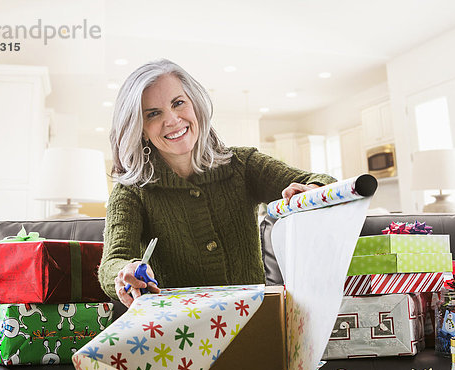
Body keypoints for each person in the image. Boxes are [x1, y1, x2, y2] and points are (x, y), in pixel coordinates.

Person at [99, 59, 336, 307]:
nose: (172, 119)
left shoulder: (243, 164)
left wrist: (313, 191)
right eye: (153, 114)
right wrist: (125, 271)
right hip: (178, 331)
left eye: (178, 103)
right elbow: (112, 262)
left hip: (253, 320)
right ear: (141, 129)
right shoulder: (130, 192)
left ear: (195, 105)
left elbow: (320, 182)